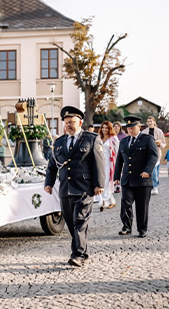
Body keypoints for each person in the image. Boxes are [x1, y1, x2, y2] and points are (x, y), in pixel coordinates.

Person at [44, 106, 105, 267]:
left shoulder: (91, 139)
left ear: (79, 122)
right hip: (65, 189)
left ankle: (77, 255)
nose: (68, 126)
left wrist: (99, 184)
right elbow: (52, 165)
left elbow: (99, 163)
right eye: (66, 123)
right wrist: (49, 183)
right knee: (71, 223)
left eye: (71, 122)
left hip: (84, 188)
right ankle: (83, 252)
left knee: (80, 221)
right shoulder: (59, 142)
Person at [115, 116, 159, 237]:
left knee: (142, 206)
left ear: (139, 127)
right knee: (126, 203)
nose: (130, 130)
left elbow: (153, 156)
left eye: (132, 127)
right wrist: (116, 176)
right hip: (127, 179)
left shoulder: (147, 139)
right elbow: (119, 160)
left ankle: (142, 229)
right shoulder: (124, 141)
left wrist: (148, 171)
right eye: (128, 128)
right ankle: (126, 227)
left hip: (142, 179)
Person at [97, 121, 118, 210]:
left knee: (106, 182)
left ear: (110, 129)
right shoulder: (99, 138)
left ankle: (104, 201)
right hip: (100, 162)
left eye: (106, 128)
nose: (104, 129)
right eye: (103, 127)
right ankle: (111, 201)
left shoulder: (113, 139)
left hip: (109, 163)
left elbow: (118, 151)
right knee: (101, 181)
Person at [143, 116, 165, 195]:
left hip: (156, 153)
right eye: (148, 121)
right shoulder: (144, 132)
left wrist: (159, 143)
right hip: (146, 153)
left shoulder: (159, 131)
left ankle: (155, 186)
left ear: (154, 122)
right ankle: (150, 185)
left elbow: (163, 143)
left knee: (154, 170)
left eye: (150, 121)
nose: (149, 123)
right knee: (151, 169)